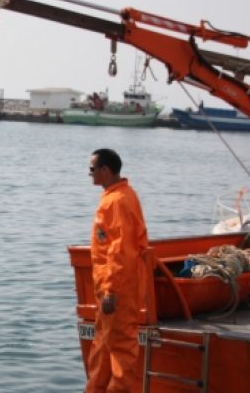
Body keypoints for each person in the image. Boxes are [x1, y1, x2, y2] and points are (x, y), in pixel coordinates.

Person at [86, 148, 149, 393]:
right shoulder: (115, 197)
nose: (89, 173)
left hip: (118, 288)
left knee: (121, 347)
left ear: (105, 170)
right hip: (109, 287)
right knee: (103, 343)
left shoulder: (118, 201)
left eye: (92, 169)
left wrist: (111, 290)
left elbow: (120, 249)